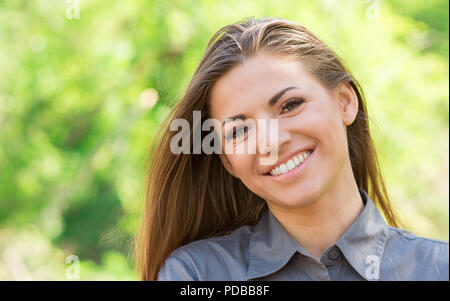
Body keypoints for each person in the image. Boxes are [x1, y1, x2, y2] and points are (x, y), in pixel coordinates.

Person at [135, 17, 449, 281]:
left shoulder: (438, 268)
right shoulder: (197, 274)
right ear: (227, 161)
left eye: (290, 105)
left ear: (344, 102)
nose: (270, 141)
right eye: (240, 130)